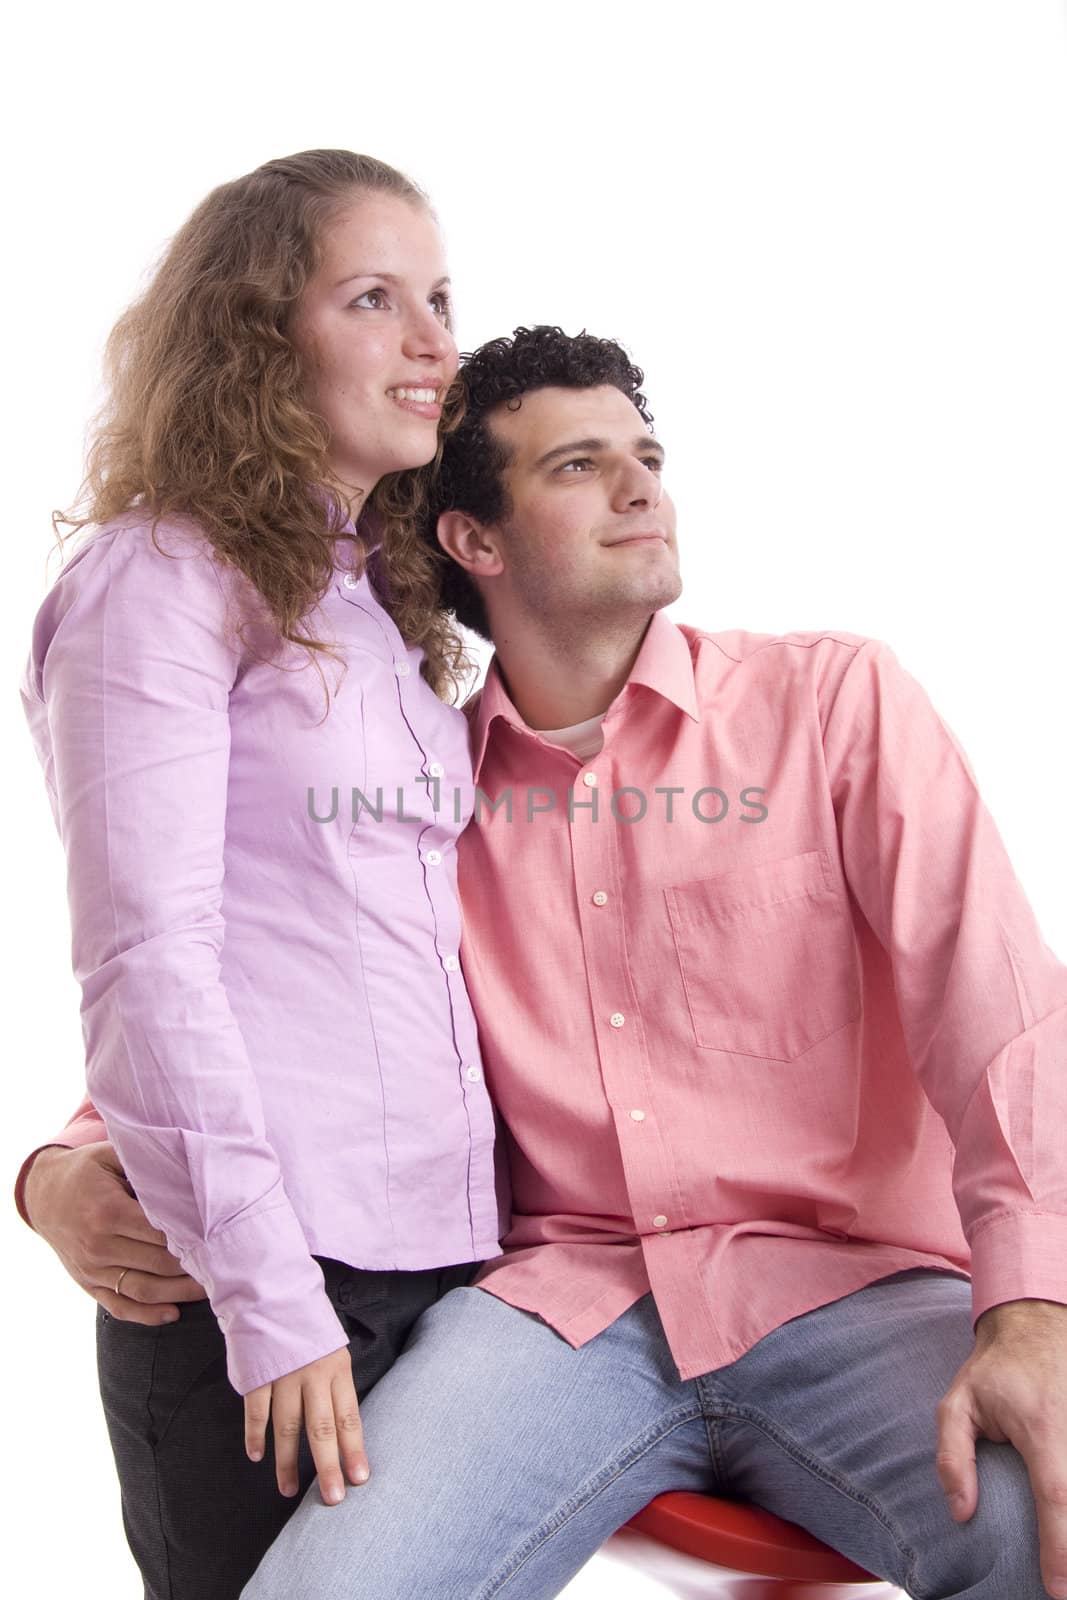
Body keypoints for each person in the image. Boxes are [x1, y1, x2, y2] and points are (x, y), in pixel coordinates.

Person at [23, 325, 1067, 1600]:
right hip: (556, 1311)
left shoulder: (834, 704)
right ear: (474, 539)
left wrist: (1032, 1309)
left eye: (646, 454)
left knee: (1043, 1529)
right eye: (579, 466)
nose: (642, 487)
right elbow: (279, 997)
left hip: (850, 1292)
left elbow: (1004, 1019)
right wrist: (62, 1163)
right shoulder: (419, 789)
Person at [16, 149, 504, 1600]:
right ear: (253, 337)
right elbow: (146, 961)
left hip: (443, 1273)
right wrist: (268, 1300)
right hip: (278, 1299)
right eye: (374, 298)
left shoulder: (377, 605)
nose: (435, 344)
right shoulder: (157, 580)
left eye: (438, 298)